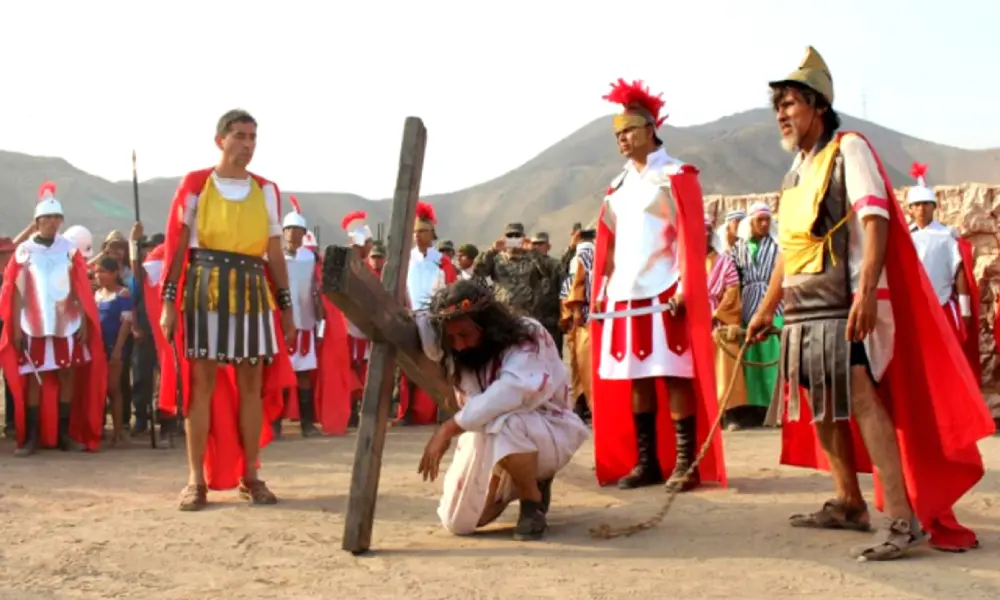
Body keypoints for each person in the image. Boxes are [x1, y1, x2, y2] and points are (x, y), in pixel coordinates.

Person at [748, 46, 993, 560]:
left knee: (861, 402)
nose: (782, 115)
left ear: (818, 104)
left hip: (842, 303)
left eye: (790, 104)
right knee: (822, 408)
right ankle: (848, 501)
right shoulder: (795, 171)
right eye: (778, 107)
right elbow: (788, 253)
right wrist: (766, 308)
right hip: (801, 309)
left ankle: (902, 520)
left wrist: (866, 293)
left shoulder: (848, 150)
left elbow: (874, 219)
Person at [589, 79, 726, 491]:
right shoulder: (617, 187)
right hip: (625, 293)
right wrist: (600, 289)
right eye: (617, 135)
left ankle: (687, 463)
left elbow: (690, 234)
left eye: (628, 130)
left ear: (650, 129)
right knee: (638, 377)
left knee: (673, 374)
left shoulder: (676, 175)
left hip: (667, 288)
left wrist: (686, 282)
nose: (622, 140)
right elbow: (607, 244)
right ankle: (647, 462)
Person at [158, 109, 296, 510]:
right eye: (239, 136)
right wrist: (169, 302)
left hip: (253, 291)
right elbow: (178, 244)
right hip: (205, 289)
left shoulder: (267, 190)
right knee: (201, 386)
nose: (248, 145)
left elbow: (274, 251)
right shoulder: (197, 185)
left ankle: (250, 475)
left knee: (251, 387)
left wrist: (286, 308)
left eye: (253, 137)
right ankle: (195, 481)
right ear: (220, 140)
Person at [415, 280, 589, 540]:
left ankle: (531, 502)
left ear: (485, 324)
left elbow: (510, 392)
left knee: (505, 419)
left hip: (548, 431)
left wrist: (448, 429)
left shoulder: (529, 334)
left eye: (463, 335)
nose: (459, 345)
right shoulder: (462, 355)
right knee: (459, 522)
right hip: (492, 432)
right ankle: (513, 483)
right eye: (451, 338)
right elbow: (422, 326)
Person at [0, 182, 107, 457]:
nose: (50, 222)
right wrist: (14, 328)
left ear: (60, 220)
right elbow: (15, 290)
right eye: (45, 218)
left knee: (67, 374)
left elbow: (80, 287)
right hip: (32, 324)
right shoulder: (25, 251)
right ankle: (32, 436)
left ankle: (64, 435)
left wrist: (83, 320)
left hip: (66, 323)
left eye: (55, 218)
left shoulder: (69, 249)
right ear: (37, 222)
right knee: (36, 378)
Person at [906, 162, 980, 380]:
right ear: (910, 208)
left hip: (943, 307)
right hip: (914, 308)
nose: (921, 209)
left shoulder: (947, 235)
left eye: (926, 204)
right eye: (917, 205)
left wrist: (965, 310)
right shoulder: (904, 237)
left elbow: (959, 272)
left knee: (948, 362)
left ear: (934, 206)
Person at [398, 201, 456, 425]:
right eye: (415, 232)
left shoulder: (442, 261)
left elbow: (450, 288)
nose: (418, 236)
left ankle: (445, 408)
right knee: (407, 365)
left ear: (431, 232)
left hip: (434, 317)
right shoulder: (406, 259)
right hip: (408, 315)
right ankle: (406, 412)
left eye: (422, 231)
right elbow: (400, 287)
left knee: (440, 363)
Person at [473, 223, 564, 355]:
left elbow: (551, 271)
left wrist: (533, 250)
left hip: (530, 317)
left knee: (531, 354)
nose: (513, 238)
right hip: (504, 317)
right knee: (506, 354)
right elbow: (478, 271)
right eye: (510, 236)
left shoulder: (532, 259)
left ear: (523, 237)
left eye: (517, 235)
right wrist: (492, 250)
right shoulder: (497, 259)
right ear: (504, 237)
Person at [731, 202, 781, 429]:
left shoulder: (777, 245)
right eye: (759, 220)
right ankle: (757, 410)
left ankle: (777, 408)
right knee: (754, 362)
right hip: (749, 305)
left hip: (775, 305)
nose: (763, 224)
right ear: (750, 222)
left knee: (774, 358)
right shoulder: (738, 248)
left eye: (766, 220)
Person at [704, 216, 747, 422]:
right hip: (694, 323)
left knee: (726, 367)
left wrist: (716, 313)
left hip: (719, 320)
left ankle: (730, 414)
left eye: (706, 231)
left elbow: (732, 290)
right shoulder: (684, 263)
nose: (702, 235)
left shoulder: (725, 261)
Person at [94, 256, 134, 446]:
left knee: (113, 388)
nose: (98, 275)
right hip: (98, 348)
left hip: (114, 347)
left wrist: (117, 350)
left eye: (103, 272)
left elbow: (126, 323)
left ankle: (118, 432)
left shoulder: (123, 294)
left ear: (114, 274)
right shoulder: (97, 294)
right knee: (99, 390)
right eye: (97, 272)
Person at [559, 227, 596, 420]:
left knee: (579, 363)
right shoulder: (600, 255)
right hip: (598, 317)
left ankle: (583, 405)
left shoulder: (579, 257)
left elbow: (571, 289)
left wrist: (572, 312)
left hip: (581, 320)